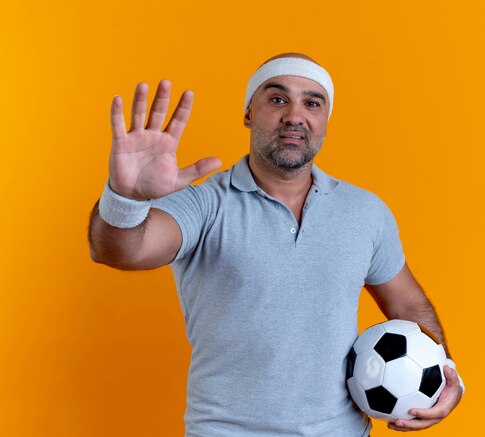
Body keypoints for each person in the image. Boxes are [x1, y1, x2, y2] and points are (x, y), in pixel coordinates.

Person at [88, 53, 464, 436]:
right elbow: (119, 250)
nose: (295, 116)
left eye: (312, 103)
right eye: (278, 99)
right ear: (249, 113)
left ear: (325, 121)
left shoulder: (365, 212)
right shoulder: (205, 204)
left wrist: (449, 379)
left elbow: (408, 304)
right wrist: (126, 198)